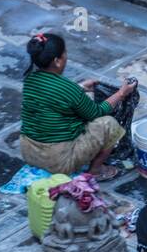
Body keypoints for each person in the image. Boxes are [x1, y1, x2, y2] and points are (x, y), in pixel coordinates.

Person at [19, 33, 137, 180]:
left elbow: (54, 98)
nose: (66, 57)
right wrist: (121, 93)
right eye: (64, 54)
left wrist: (79, 88)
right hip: (58, 162)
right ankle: (96, 171)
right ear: (57, 61)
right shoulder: (67, 89)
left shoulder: (30, 80)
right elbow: (97, 113)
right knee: (109, 125)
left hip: (29, 152)